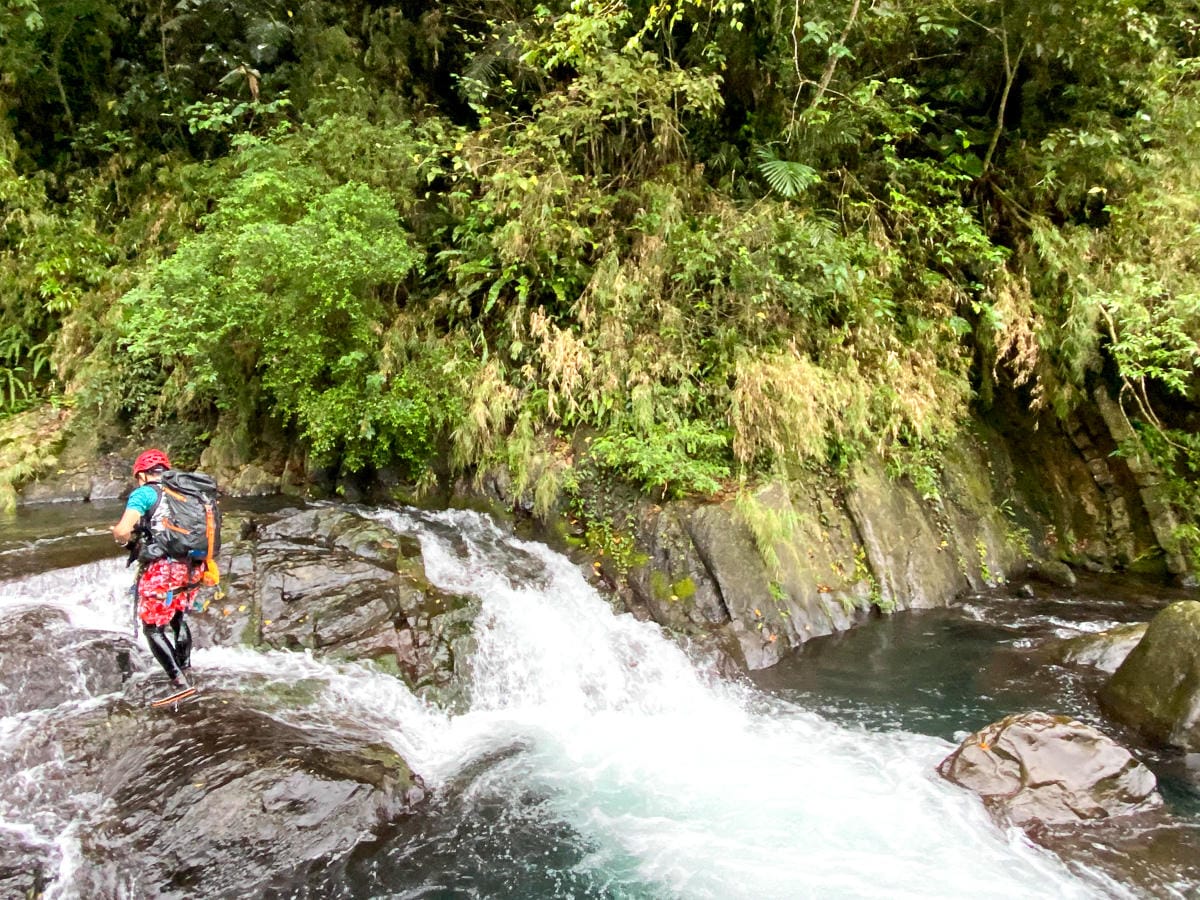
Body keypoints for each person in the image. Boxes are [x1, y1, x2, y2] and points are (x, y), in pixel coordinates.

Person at [111, 448, 198, 691]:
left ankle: (179, 682)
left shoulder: (144, 493)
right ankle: (187, 666)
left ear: (141, 475)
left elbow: (122, 529)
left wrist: (121, 538)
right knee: (178, 616)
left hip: (162, 569)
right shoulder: (184, 493)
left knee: (152, 628)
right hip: (191, 567)